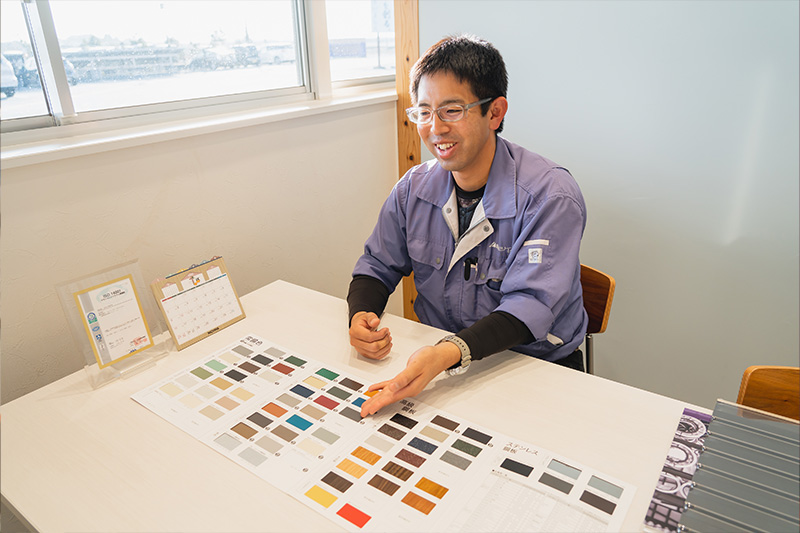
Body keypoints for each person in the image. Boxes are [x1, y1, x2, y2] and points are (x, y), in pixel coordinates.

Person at [348, 34, 587, 417]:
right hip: (443, 367)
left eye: (452, 110)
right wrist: (361, 314)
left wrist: (448, 353)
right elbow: (377, 264)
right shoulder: (413, 188)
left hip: (533, 367)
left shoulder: (550, 195)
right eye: (424, 112)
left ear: (495, 112)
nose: (435, 127)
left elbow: (530, 305)